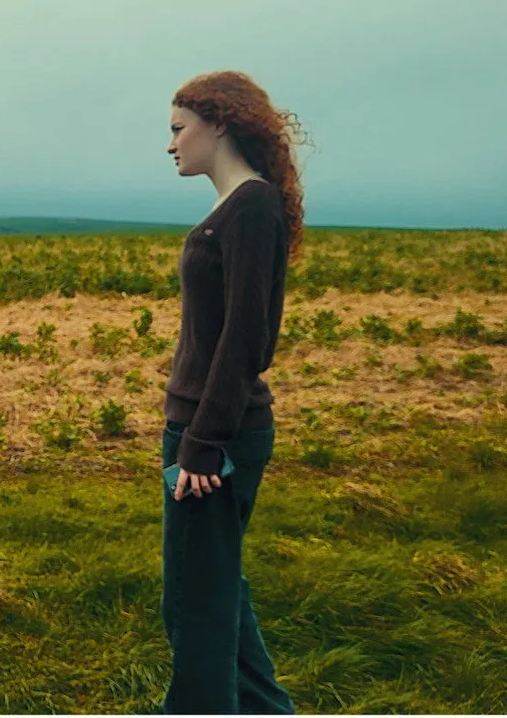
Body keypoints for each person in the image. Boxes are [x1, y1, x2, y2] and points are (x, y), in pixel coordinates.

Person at [160, 70, 307, 714]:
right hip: (203, 430)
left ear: (219, 123)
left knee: (195, 602)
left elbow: (248, 337)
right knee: (214, 590)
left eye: (178, 128)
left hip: (214, 437)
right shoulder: (239, 207)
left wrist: (203, 442)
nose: (170, 144)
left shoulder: (251, 207)